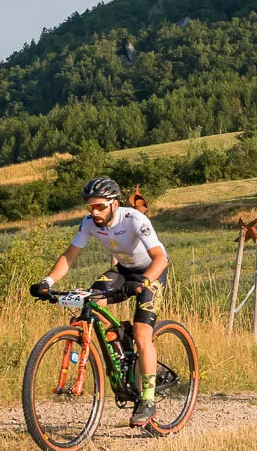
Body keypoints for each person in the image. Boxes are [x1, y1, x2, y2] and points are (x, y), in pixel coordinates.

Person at [32, 177, 170, 429]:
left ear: (114, 204)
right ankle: (121, 340)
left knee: (142, 332)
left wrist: (144, 282)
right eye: (90, 207)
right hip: (123, 270)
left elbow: (160, 258)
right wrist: (47, 281)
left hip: (152, 271)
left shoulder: (134, 219)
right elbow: (70, 255)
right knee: (92, 301)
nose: (94, 212)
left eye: (100, 207)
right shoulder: (89, 223)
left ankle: (148, 400)